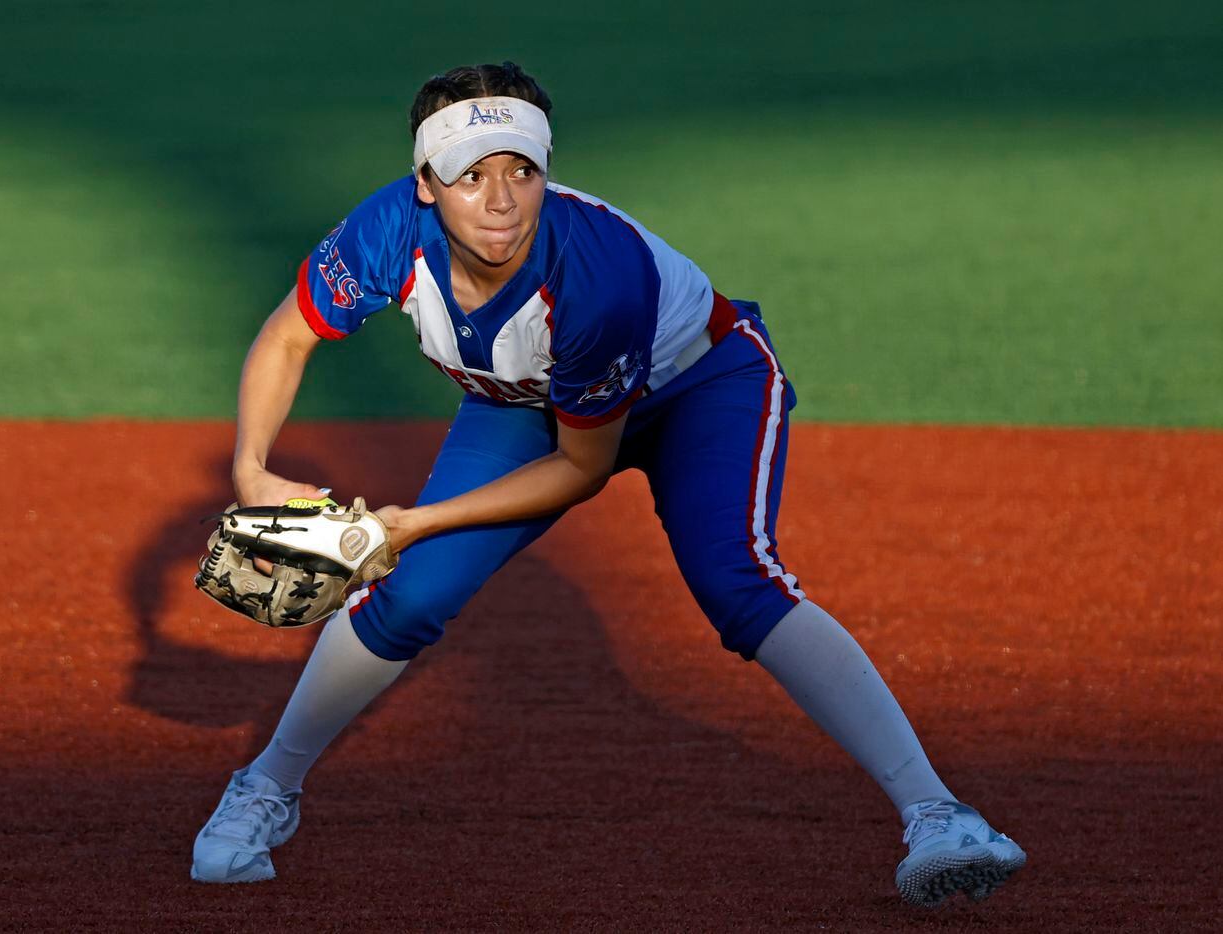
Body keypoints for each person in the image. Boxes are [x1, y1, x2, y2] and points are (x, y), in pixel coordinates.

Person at [190, 62, 1026, 907]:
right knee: (410, 598)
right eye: (470, 176)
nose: (500, 199)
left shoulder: (593, 279)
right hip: (526, 402)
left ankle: (939, 815)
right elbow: (288, 337)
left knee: (737, 582)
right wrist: (251, 469)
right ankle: (266, 789)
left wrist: (418, 520)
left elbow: (580, 470)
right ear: (424, 187)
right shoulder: (382, 233)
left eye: (521, 170)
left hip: (702, 387)